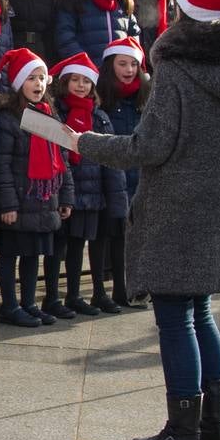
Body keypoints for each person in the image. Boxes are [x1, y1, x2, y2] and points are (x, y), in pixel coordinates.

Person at [73, 0, 220, 440]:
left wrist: (86, 142)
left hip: (178, 201)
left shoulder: (177, 69)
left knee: (175, 315)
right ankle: (215, 425)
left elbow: (149, 147)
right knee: (199, 308)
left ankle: (183, 432)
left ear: (186, 10)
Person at [0, 49, 74, 328]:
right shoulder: (9, 117)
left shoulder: (47, 114)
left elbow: (61, 160)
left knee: (33, 254)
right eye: (31, 78)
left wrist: (65, 196)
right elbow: (2, 165)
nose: (38, 84)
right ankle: (9, 305)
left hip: (44, 199)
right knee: (12, 252)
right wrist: (8, 205)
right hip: (20, 198)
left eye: (42, 78)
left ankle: (28, 303)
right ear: (18, 83)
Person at [49, 53, 127, 316]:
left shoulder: (100, 116)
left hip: (94, 192)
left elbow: (111, 155)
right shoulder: (57, 112)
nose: (81, 86)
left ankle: (93, 293)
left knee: (87, 242)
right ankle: (58, 296)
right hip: (68, 189)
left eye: (86, 81)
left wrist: (116, 197)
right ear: (65, 82)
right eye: (75, 80)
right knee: (64, 245)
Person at [94, 36, 151, 310]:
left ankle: (135, 286)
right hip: (111, 173)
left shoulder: (147, 96)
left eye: (133, 64)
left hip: (139, 174)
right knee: (112, 233)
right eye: (122, 64)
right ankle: (112, 288)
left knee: (137, 233)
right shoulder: (101, 97)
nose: (129, 70)